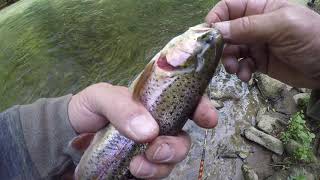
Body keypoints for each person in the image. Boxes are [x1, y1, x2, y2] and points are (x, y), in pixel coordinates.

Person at [0, 0, 319, 179]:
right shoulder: (170, 66)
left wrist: (57, 128)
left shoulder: (166, 64)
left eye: (202, 42)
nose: (202, 35)